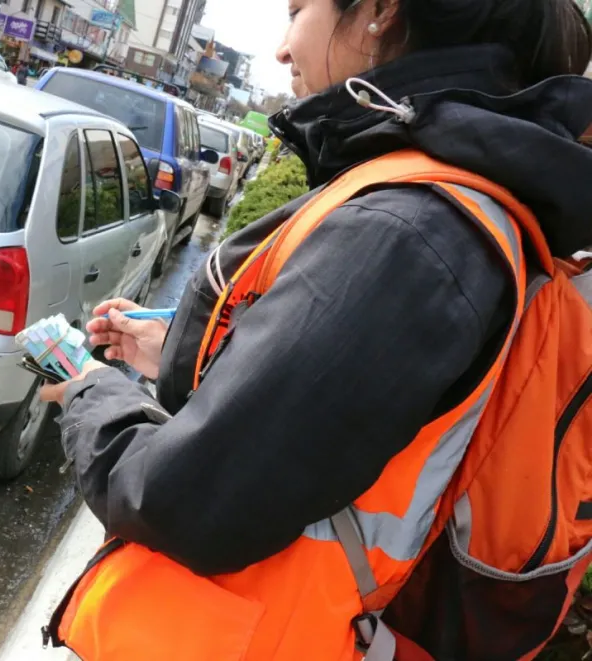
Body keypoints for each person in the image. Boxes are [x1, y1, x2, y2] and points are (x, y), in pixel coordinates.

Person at [37, 0, 592, 659]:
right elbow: (350, 421)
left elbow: (189, 500)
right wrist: (197, 357)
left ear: (379, 13)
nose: (282, 48)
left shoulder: (406, 229)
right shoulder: (453, 204)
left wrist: (92, 392)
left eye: (298, 9)